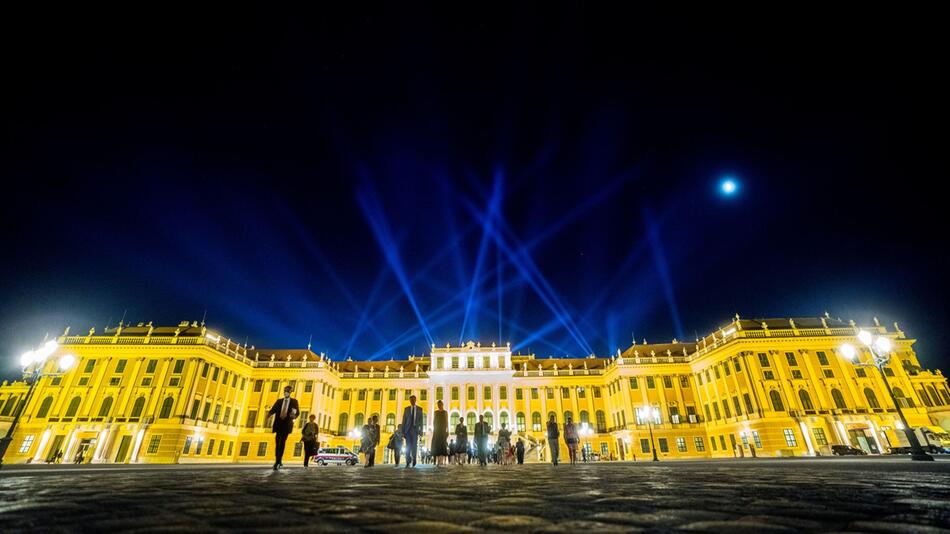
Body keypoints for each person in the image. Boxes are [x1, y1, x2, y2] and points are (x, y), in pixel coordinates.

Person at [268, 385, 299, 470]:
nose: (286, 392)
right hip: (278, 424)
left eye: (288, 391)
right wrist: (269, 414)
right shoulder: (279, 401)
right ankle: (278, 459)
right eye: (285, 390)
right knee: (277, 442)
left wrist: (294, 416)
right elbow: (273, 410)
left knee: (282, 442)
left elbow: (297, 412)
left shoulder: (294, 402)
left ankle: (278, 461)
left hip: (286, 424)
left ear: (290, 392)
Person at [401, 395, 423, 468]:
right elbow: (403, 421)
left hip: (415, 430)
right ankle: (408, 461)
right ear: (409, 401)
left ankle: (414, 459)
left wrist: (421, 431)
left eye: (413, 400)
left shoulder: (420, 409)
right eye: (411, 400)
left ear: (415, 400)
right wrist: (403, 432)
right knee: (408, 446)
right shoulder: (406, 409)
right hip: (407, 430)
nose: (412, 401)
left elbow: (421, 422)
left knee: (414, 446)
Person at [431, 400, 449, 466]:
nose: (439, 406)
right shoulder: (435, 412)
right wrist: (434, 429)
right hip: (437, 430)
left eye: (440, 404)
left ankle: (441, 461)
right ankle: (438, 461)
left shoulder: (445, 412)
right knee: (437, 445)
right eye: (438, 405)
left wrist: (448, 430)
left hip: (443, 430)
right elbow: (434, 421)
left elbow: (447, 422)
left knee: (442, 445)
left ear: (442, 405)